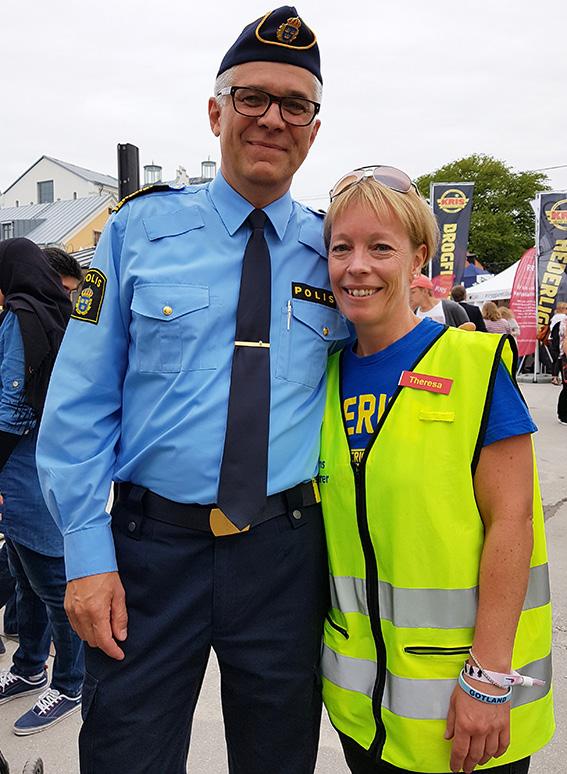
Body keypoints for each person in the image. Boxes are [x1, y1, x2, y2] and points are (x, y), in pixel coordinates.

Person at [37, 8, 345, 773]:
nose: (272, 118)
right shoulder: (133, 234)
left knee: (276, 759)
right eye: (252, 97)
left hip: (284, 555)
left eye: (294, 104)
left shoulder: (337, 255)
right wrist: (84, 554)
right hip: (147, 555)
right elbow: (78, 401)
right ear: (216, 112)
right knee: (125, 755)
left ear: (312, 128)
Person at [317, 166, 553, 773]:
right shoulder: (320, 380)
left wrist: (487, 678)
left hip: (463, 712)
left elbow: (513, 524)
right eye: (341, 247)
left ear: (419, 257)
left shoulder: (472, 367)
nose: (357, 265)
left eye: (380, 247)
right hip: (360, 712)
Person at [0, 238, 84, 734]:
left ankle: (69, 683)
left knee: (51, 585)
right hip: (38, 472)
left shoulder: (22, 317)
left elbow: (10, 410)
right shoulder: (52, 314)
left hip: (26, 476)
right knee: (28, 579)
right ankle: (30, 666)